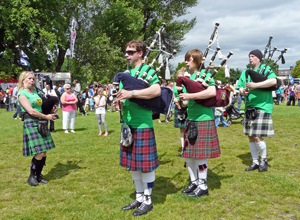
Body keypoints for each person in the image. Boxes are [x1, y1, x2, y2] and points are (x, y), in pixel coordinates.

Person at [113, 40, 161, 216]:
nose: (127, 55)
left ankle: (148, 200)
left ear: (140, 53)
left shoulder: (148, 71)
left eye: (130, 52)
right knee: (133, 164)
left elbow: (156, 91)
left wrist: (131, 93)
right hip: (128, 124)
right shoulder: (126, 73)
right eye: (126, 52)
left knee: (145, 166)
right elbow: (122, 95)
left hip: (142, 124)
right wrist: (120, 102)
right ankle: (139, 197)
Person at [176, 49, 220, 198]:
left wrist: (190, 95)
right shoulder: (191, 76)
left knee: (200, 155)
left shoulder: (205, 75)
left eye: (188, 59)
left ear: (196, 60)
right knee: (188, 154)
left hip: (204, 118)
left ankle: (203, 185)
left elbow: (212, 92)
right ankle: (194, 182)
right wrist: (182, 100)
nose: (186, 62)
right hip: (192, 118)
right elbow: (190, 101)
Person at [236, 49, 277, 172]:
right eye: (249, 56)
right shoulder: (245, 72)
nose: (250, 58)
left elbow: (274, 81)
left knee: (257, 135)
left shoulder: (266, 69)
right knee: (250, 135)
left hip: (262, 106)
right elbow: (239, 87)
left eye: (253, 56)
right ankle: (255, 162)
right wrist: (243, 91)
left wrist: (256, 85)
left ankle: (263, 160)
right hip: (249, 105)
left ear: (259, 58)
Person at [17, 71, 56, 186]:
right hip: (31, 122)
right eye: (29, 79)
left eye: (33, 79)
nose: (31, 81)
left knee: (44, 152)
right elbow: (31, 111)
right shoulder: (22, 94)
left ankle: (38, 175)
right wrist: (46, 116)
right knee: (39, 152)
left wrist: (50, 110)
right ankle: (32, 176)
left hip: (41, 121)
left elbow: (41, 107)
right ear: (23, 80)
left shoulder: (36, 92)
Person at [173, 67, 187, 157]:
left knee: (189, 128)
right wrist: (175, 99)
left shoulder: (187, 84)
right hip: (179, 108)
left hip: (186, 107)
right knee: (181, 129)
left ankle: (189, 148)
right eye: (178, 76)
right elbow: (174, 94)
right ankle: (183, 149)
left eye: (181, 76)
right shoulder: (175, 85)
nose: (179, 78)